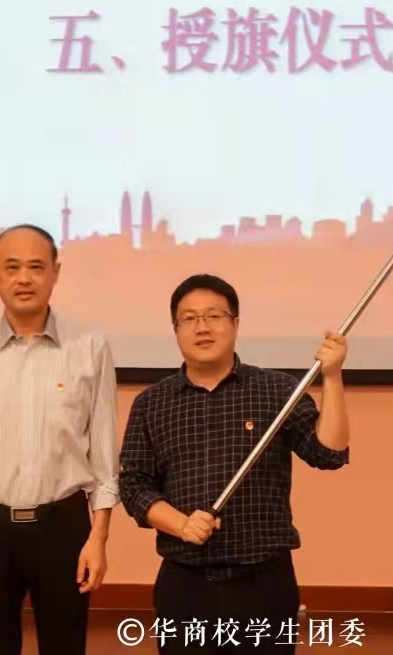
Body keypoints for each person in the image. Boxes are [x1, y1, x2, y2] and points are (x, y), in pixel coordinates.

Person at [119, 273, 350, 654]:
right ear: (175, 329)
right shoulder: (151, 403)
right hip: (185, 582)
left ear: (236, 323)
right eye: (189, 318)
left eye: (214, 315)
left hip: (264, 582)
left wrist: (333, 377)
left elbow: (329, 453)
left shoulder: (276, 390)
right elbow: (134, 486)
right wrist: (181, 524)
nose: (202, 327)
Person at [0, 224, 120, 655]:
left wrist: (98, 539)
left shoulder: (90, 346)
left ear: (56, 272)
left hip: (64, 526)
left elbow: (105, 457)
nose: (24, 279)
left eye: (36, 267)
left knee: (66, 646)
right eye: (12, 267)